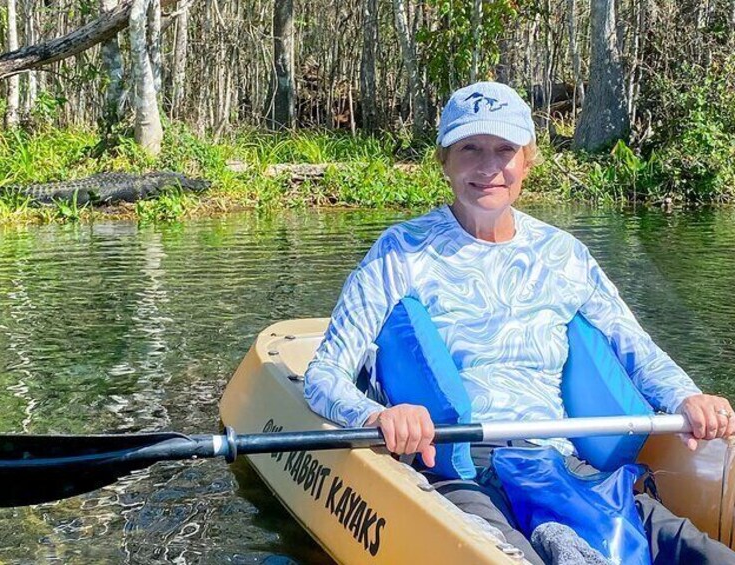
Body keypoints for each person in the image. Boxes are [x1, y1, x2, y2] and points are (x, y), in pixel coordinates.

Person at [303, 81, 735, 564]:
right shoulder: (399, 251)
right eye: (470, 149)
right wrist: (377, 416)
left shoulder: (564, 254)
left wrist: (687, 396)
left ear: (527, 160)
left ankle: (562, 531)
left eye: (505, 150)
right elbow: (324, 375)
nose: (489, 168)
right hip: (462, 471)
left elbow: (636, 348)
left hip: (565, 464)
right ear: (444, 160)